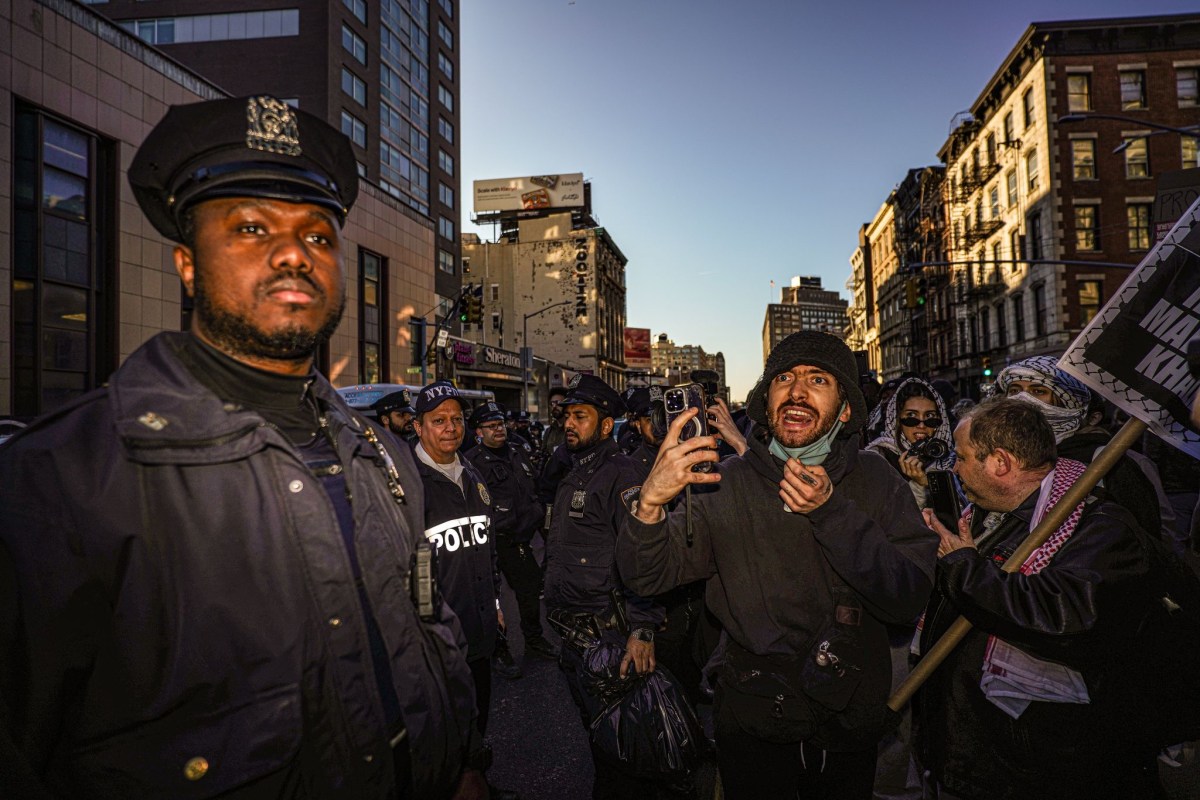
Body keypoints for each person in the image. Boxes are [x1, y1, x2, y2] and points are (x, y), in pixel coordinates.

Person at [0, 96, 483, 799]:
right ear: (187, 265)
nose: (294, 252)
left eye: (319, 236)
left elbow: (427, 623)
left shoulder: (381, 454)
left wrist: (463, 756)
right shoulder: (56, 484)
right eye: (251, 227)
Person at [618, 331, 938, 800]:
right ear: (767, 400)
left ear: (846, 408)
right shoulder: (723, 483)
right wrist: (648, 504)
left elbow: (908, 597)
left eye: (818, 379)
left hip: (848, 720)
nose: (797, 390)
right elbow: (648, 576)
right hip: (754, 718)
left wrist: (832, 513)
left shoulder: (877, 481)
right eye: (784, 378)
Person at [916, 399, 1160, 799]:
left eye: (961, 457)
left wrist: (963, 566)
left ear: (999, 462)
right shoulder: (993, 517)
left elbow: (1062, 615)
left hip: (1035, 768)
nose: (955, 469)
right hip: (977, 755)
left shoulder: (1100, 528)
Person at [543, 374, 666, 799]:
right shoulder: (575, 470)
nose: (569, 424)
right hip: (573, 636)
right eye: (567, 417)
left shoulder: (622, 475)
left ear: (607, 424)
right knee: (598, 735)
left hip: (609, 637)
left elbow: (644, 558)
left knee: (622, 746)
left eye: (580, 416)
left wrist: (643, 628)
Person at [411, 382, 520, 800]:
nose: (450, 428)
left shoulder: (472, 474)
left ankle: (474, 781)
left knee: (476, 717)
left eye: (456, 419)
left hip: (477, 631)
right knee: (438, 729)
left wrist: (494, 603)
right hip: (434, 641)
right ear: (419, 428)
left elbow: (487, 552)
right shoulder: (406, 484)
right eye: (438, 420)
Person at [994, 356, 1176, 547]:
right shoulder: (1003, 457)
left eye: (1038, 391)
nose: (1022, 399)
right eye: (1014, 390)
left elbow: (1149, 537)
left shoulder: (1112, 463)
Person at [464, 401, 560, 663]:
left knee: (528, 592)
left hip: (520, 540)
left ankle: (534, 640)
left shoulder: (518, 451)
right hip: (492, 542)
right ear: (479, 432)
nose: (499, 430)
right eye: (492, 426)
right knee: (491, 600)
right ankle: (499, 649)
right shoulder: (472, 462)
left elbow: (534, 491)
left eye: (501, 424)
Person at [865, 376, 956, 507]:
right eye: (911, 416)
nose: (921, 425)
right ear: (897, 419)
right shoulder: (878, 457)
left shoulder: (950, 459)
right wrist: (919, 486)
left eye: (929, 416)